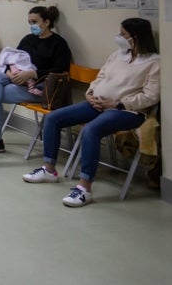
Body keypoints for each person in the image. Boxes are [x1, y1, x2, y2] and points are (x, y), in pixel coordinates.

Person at [22, 18, 159, 207]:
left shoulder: (154, 62)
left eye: (124, 35)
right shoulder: (118, 55)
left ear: (136, 38)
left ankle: (84, 188)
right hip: (96, 104)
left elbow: (150, 96)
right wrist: (90, 94)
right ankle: (49, 169)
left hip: (127, 111)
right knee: (53, 118)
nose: (119, 37)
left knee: (90, 130)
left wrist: (118, 104)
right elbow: (100, 77)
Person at [0, 6, 71, 154]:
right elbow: (13, 58)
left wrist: (32, 74)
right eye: (29, 22)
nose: (32, 26)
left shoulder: (59, 44)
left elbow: (61, 70)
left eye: (35, 21)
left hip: (42, 88)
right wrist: (9, 73)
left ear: (47, 22)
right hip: (18, 80)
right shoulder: (28, 39)